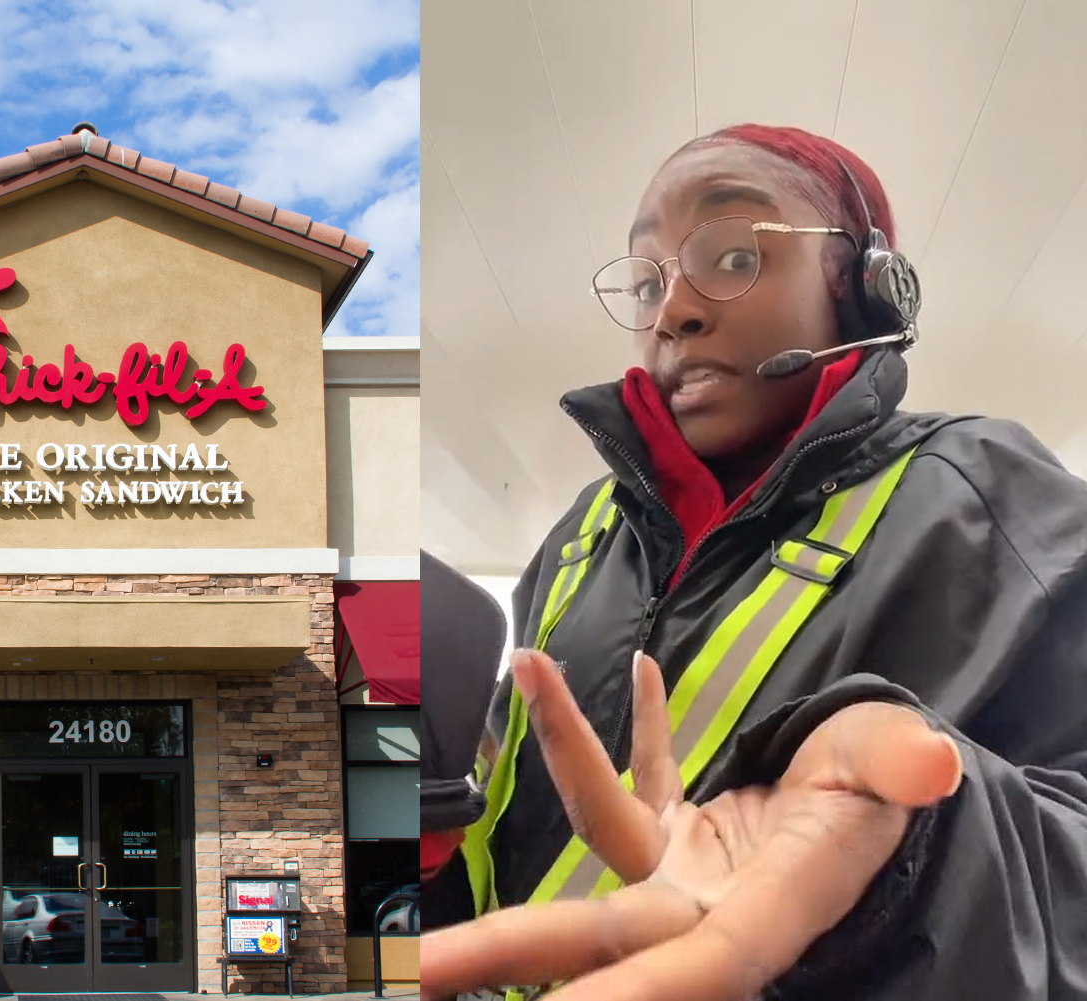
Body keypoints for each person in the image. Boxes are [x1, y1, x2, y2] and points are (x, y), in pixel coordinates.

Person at [415, 124, 1087, 1000]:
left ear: (866, 290)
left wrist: (906, 869)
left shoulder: (991, 501)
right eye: (649, 279)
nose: (672, 312)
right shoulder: (585, 531)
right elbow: (502, 809)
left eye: (733, 258)